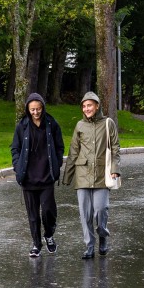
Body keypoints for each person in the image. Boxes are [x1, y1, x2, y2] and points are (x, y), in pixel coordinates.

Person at [61, 91, 121, 260]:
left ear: (97, 106)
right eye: (84, 106)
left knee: (101, 210)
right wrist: (67, 176)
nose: (87, 109)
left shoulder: (108, 123)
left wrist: (115, 168)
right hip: (82, 175)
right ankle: (89, 246)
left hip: (103, 174)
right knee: (85, 214)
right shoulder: (79, 125)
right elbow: (73, 151)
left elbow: (115, 148)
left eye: (90, 105)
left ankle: (102, 235)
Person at [11, 93, 65, 258]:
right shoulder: (22, 126)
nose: (35, 112)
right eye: (32, 109)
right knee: (33, 214)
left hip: (46, 176)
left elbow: (59, 146)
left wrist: (56, 165)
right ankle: (36, 243)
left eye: (38, 109)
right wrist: (17, 166)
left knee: (48, 211)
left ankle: (49, 235)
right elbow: (15, 148)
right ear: (28, 109)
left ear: (43, 107)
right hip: (28, 178)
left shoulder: (51, 124)